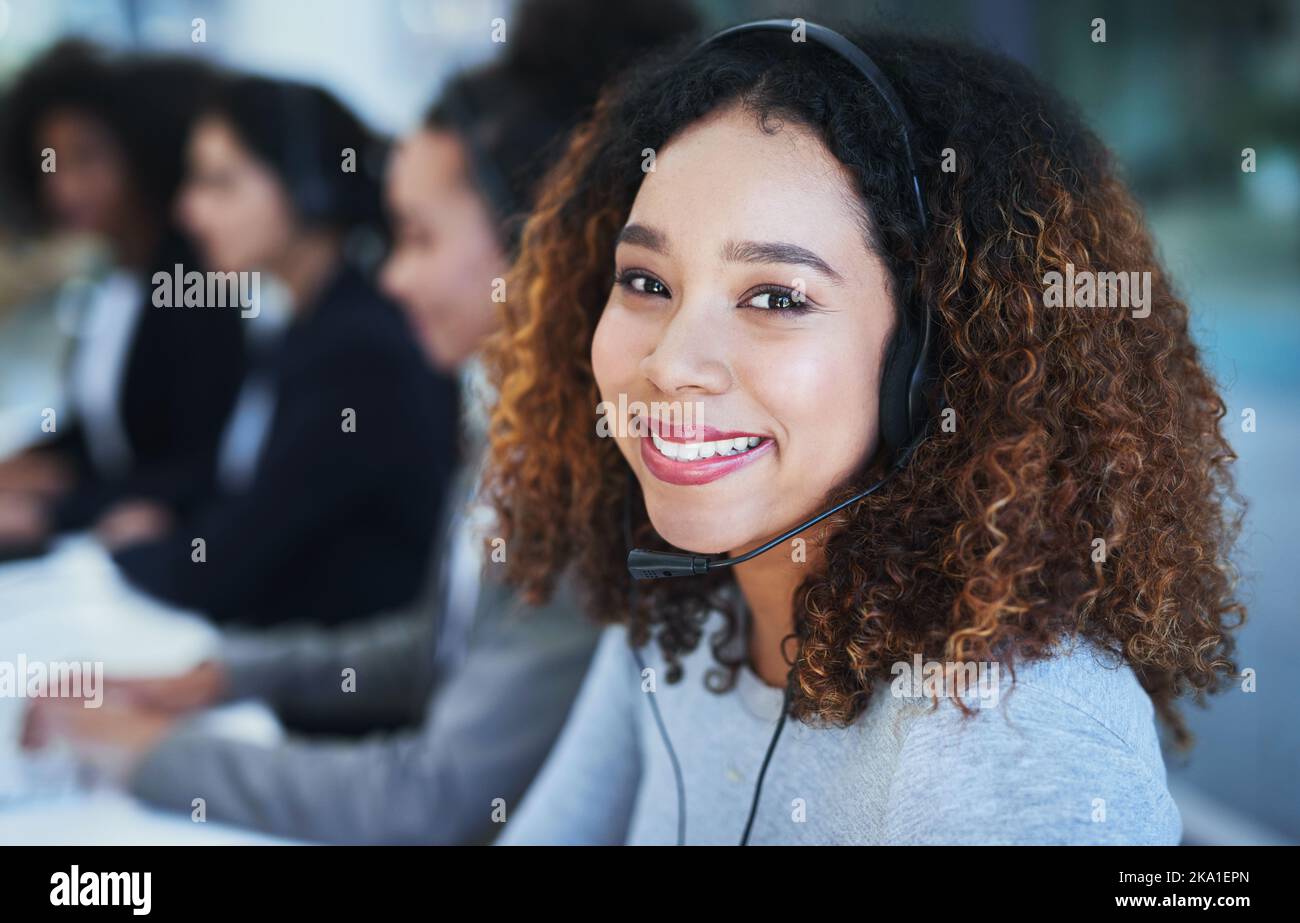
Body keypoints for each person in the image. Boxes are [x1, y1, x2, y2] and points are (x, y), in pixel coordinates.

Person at [481, 21, 1246, 844]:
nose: (670, 364)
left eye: (776, 297)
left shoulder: (1012, 721)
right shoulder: (682, 606)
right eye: (645, 281)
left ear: (932, 361)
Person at [22, 0, 700, 844]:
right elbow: (438, 646)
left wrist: (152, 753)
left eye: (417, 238)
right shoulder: (509, 426)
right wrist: (220, 678)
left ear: (535, 249)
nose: (395, 279)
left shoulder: (592, 480)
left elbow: (430, 801)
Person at [101, 75, 461, 626]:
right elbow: (250, 498)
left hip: (334, 681)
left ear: (308, 186)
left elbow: (220, 572)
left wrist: (115, 548)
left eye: (220, 184)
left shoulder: (358, 350)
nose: (189, 211)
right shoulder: (306, 321)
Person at [0, 42, 246, 552]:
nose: (64, 186)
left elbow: (198, 468)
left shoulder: (195, 284)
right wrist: (27, 465)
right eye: (51, 163)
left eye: (86, 157)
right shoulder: (112, 279)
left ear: (140, 151)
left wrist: (55, 509)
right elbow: (104, 426)